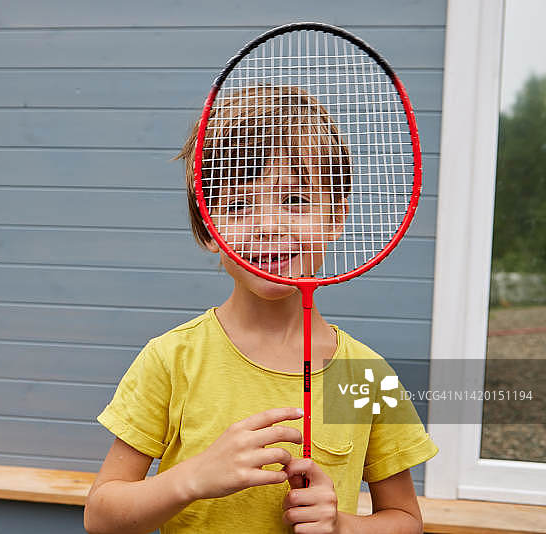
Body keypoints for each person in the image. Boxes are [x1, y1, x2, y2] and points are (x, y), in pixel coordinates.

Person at [83, 85, 438, 534]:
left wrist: (341, 525)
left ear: (337, 220)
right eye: (238, 205)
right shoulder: (171, 360)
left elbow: (406, 521)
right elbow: (101, 517)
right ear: (208, 229)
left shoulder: (367, 376)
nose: (268, 224)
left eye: (295, 199)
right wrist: (191, 478)